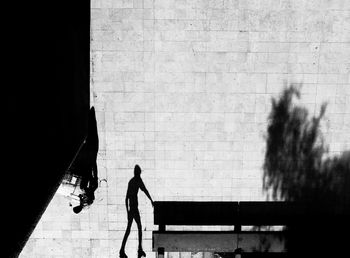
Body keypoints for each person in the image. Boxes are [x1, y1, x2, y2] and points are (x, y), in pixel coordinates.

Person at [119, 165, 154, 258]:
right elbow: (145, 190)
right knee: (138, 227)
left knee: (129, 229)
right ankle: (138, 250)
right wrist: (151, 200)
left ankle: (123, 250)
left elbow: (126, 198)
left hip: (132, 209)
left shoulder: (132, 181)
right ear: (138, 172)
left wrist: (127, 211)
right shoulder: (137, 180)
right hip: (134, 209)